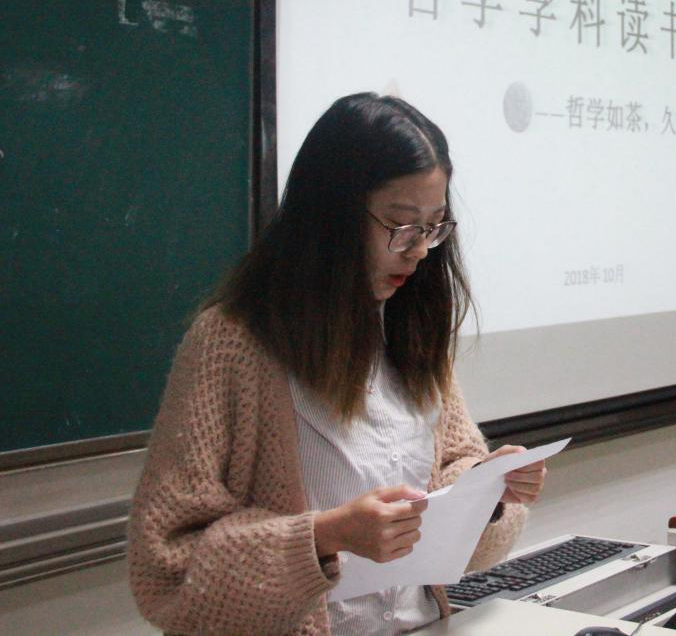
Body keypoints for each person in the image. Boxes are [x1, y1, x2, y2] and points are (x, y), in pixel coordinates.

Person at [128, 93, 548, 635]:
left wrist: (485, 489)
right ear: (331, 215)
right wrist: (325, 536)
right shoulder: (232, 344)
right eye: (401, 225)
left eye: (434, 226)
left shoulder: (410, 326)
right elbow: (166, 571)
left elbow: (452, 480)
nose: (420, 250)